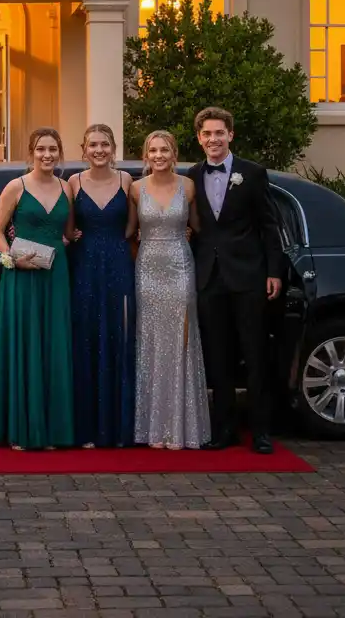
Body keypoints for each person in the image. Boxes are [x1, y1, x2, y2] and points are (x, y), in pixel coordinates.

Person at [188, 106, 283, 455]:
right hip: (209, 279)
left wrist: (274, 271)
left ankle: (260, 432)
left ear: (231, 135)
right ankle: (224, 430)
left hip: (248, 277)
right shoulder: (192, 175)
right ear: (199, 139)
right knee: (219, 357)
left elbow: (270, 226)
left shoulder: (253, 173)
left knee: (255, 355)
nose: (213, 139)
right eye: (206, 134)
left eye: (219, 133)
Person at [0, 127, 76, 451]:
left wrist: (67, 242)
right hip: (22, 277)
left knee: (53, 345)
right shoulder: (15, 187)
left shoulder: (67, 187)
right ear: (32, 152)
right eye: (41, 149)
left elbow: (68, 230)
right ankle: (22, 430)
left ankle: (50, 431)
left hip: (56, 274)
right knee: (26, 346)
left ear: (59, 152)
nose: (47, 155)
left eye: (52, 149)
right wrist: (11, 259)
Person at [129, 131, 210, 450]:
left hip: (180, 267)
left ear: (174, 154)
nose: (159, 155)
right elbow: (128, 232)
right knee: (150, 341)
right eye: (153, 150)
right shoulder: (135, 189)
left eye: (165, 150)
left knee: (181, 342)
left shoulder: (188, 186)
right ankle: (152, 428)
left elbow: (201, 227)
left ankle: (181, 427)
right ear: (146, 155)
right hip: (148, 269)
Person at [67, 123, 137, 448]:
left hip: (119, 264)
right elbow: (67, 228)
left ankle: (118, 427)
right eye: (93, 144)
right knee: (86, 338)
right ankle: (88, 428)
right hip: (84, 266)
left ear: (113, 148)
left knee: (118, 336)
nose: (99, 150)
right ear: (84, 149)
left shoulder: (127, 181)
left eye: (104, 144)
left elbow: (134, 226)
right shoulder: (72, 182)